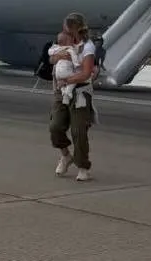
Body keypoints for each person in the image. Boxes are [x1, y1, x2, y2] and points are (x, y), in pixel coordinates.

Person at [48, 12, 98, 181]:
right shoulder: (64, 40)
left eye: (67, 28)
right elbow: (51, 58)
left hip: (80, 92)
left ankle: (83, 166)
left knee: (79, 131)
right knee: (55, 126)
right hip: (61, 90)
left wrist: (67, 79)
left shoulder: (87, 47)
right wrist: (58, 56)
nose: (64, 30)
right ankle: (65, 155)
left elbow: (85, 73)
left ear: (74, 29)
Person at [50, 32, 82, 104]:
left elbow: (51, 55)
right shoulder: (70, 48)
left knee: (60, 81)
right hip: (67, 72)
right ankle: (67, 92)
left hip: (59, 73)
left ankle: (64, 91)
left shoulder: (57, 48)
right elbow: (51, 60)